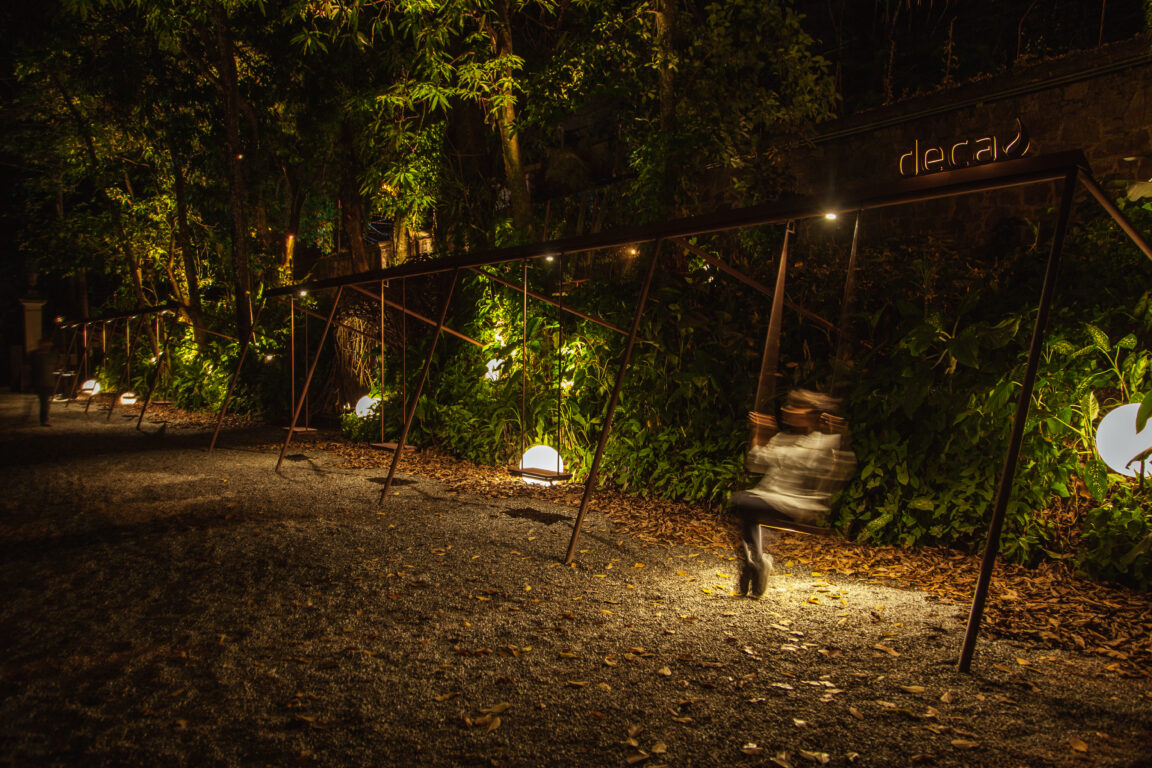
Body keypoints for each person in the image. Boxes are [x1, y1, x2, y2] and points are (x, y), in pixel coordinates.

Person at [729, 390, 856, 598]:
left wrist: (840, 435)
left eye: (795, 408)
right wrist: (759, 431)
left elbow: (840, 469)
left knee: (745, 503)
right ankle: (754, 562)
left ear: (811, 414)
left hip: (798, 503)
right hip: (767, 497)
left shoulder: (823, 441)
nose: (787, 411)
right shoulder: (781, 438)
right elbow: (756, 463)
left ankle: (754, 563)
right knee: (742, 504)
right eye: (788, 407)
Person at [30, 337, 58, 426]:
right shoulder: (36, 356)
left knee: (46, 402)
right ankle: (44, 419)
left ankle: (45, 418)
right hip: (41, 382)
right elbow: (32, 370)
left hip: (48, 382)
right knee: (44, 401)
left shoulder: (52, 355)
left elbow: (56, 365)